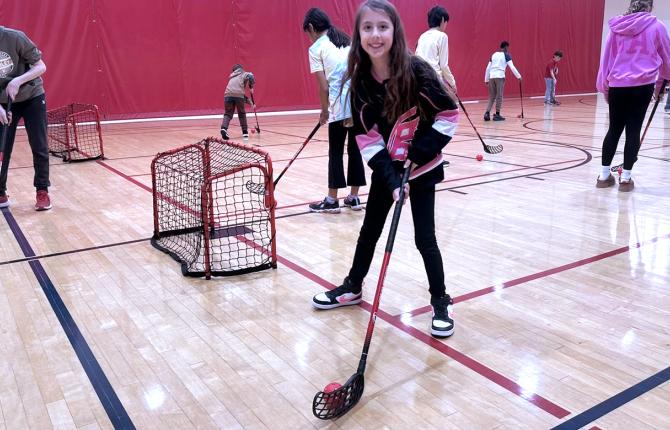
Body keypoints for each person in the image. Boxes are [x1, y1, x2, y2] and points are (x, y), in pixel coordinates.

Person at [310, 0, 459, 338]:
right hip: (387, 168)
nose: (375, 35)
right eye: (367, 28)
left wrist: (418, 154)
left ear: (395, 30)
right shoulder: (359, 81)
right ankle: (352, 286)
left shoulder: (417, 70)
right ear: (359, 33)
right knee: (370, 230)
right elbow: (368, 137)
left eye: (382, 27)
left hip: (422, 167)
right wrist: (391, 179)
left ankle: (441, 299)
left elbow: (449, 116)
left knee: (425, 238)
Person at [596, 0, 670, 191]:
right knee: (633, 130)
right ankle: (626, 179)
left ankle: (604, 176)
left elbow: (607, 59)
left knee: (613, 129)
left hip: (618, 85)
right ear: (650, 7)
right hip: (642, 86)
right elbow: (666, 60)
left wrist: (605, 87)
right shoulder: (657, 26)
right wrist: (660, 85)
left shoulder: (615, 27)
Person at [303, 8, 366, 213]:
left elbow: (324, 87)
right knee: (355, 150)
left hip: (339, 106)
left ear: (311, 28)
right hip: (358, 104)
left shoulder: (316, 49)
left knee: (336, 151)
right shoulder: (345, 40)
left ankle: (331, 200)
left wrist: (324, 111)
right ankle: (354, 197)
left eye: (308, 34)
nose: (309, 39)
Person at [0, 26, 51, 211]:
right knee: (2, 148)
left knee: (39, 145)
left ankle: (42, 190)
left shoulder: (15, 37)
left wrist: (17, 81)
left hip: (32, 97)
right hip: (3, 102)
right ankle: (0, 192)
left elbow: (41, 66)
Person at [415, 5, 456, 89]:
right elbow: (444, 65)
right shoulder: (442, 36)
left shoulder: (422, 36)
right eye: (446, 23)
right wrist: (452, 83)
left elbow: (416, 57)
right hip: (434, 79)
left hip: (419, 78)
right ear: (442, 20)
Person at [483, 41, 522, 121]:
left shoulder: (493, 55)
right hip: (500, 77)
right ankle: (497, 114)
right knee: (499, 96)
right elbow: (512, 67)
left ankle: (487, 113)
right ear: (505, 47)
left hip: (492, 77)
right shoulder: (506, 55)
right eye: (507, 48)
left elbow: (488, 68)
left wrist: (486, 79)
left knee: (491, 97)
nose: (508, 49)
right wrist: (519, 76)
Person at [220, 64, 255, 140]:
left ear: (234, 71)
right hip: (238, 96)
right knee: (241, 113)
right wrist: (251, 87)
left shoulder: (232, 77)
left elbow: (237, 94)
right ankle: (245, 132)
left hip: (227, 95)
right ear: (241, 69)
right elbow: (251, 76)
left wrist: (250, 103)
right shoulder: (244, 73)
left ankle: (224, 128)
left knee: (228, 114)